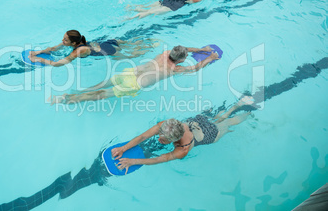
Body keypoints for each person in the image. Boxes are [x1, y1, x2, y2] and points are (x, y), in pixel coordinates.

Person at [111, 96, 255, 174]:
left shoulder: (182, 150)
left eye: (163, 139)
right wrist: (123, 148)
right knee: (218, 117)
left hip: (210, 134)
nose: (159, 139)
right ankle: (235, 106)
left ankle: (248, 112)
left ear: (175, 140)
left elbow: (160, 159)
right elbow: (143, 137)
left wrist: (133, 161)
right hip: (198, 121)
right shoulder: (167, 125)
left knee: (227, 123)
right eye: (160, 135)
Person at [50, 45, 219, 104]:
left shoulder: (165, 52)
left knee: (101, 85)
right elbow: (196, 68)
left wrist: (200, 49)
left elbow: (184, 49)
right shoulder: (175, 69)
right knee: (101, 95)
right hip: (134, 84)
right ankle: (67, 100)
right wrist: (209, 57)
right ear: (181, 61)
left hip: (131, 72)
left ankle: (75, 93)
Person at [28, 30, 157, 67]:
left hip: (108, 50)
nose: (62, 41)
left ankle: (151, 46)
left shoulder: (79, 50)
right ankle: (146, 41)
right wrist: (38, 52)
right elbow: (54, 48)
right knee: (130, 44)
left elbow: (57, 64)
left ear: (73, 43)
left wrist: (38, 59)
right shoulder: (76, 41)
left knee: (132, 55)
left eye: (65, 40)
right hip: (107, 42)